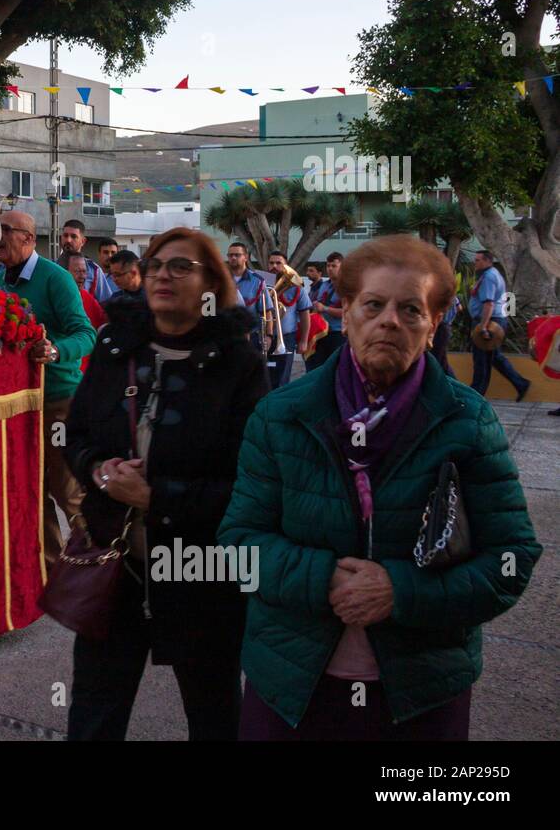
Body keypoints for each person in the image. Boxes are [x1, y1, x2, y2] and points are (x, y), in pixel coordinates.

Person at [219, 236, 542, 740]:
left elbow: (512, 558)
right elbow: (239, 544)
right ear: (345, 312)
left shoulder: (467, 421)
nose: (390, 320)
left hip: (422, 692)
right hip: (291, 684)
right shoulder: (281, 415)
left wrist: (400, 591)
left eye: (411, 308)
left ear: (434, 323)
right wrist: (324, 578)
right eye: (373, 304)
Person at [63, 228, 269, 740]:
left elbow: (255, 484)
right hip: (118, 565)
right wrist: (98, 471)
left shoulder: (238, 363)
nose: (162, 275)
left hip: (202, 570)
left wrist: (160, 499)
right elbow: (77, 431)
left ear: (211, 283)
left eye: (180, 267)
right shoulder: (116, 345)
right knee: (94, 712)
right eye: (155, 265)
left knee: (213, 709)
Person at [0, 210, 96, 570]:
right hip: (19, 404)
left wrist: (55, 351)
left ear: (29, 239)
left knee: (66, 490)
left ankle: (100, 569)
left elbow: (87, 335)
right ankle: (50, 571)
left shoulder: (57, 279)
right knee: (32, 492)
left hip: (59, 399)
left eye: (6, 230)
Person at [468, 249, 530, 401]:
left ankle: (476, 393)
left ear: (487, 261)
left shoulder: (489, 277)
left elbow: (488, 304)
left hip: (490, 321)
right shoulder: (491, 274)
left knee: (481, 359)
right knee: (494, 357)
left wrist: (483, 326)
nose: (475, 263)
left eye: (478, 260)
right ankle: (520, 383)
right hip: (494, 319)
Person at [266, 250, 312, 389]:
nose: (274, 266)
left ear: (286, 265)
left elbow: (305, 315)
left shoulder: (297, 289)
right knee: (262, 377)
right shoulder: (261, 285)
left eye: (278, 263)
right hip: (263, 338)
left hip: (286, 338)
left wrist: (303, 341)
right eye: (271, 263)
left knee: (282, 377)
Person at [57, 220, 116, 303]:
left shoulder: (94, 270)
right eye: (65, 235)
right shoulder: (52, 267)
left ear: (83, 241)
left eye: (73, 236)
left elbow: (107, 303)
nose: (68, 240)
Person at [67, 253, 107, 372]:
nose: (82, 276)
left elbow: (102, 324)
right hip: (68, 369)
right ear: (65, 273)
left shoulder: (88, 298)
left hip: (87, 371)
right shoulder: (56, 299)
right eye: (77, 271)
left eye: (84, 272)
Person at [306, 252, 346, 371]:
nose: (330, 269)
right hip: (320, 333)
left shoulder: (348, 286)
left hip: (337, 333)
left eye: (334, 266)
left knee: (335, 369)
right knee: (316, 368)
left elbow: (348, 311)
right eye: (328, 266)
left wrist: (325, 309)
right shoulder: (324, 285)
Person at [226, 241, 268, 352]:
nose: (233, 258)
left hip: (251, 336)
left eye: (237, 255)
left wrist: (269, 335)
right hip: (226, 335)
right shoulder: (220, 279)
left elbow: (266, 310)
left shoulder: (257, 281)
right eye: (230, 255)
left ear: (246, 257)